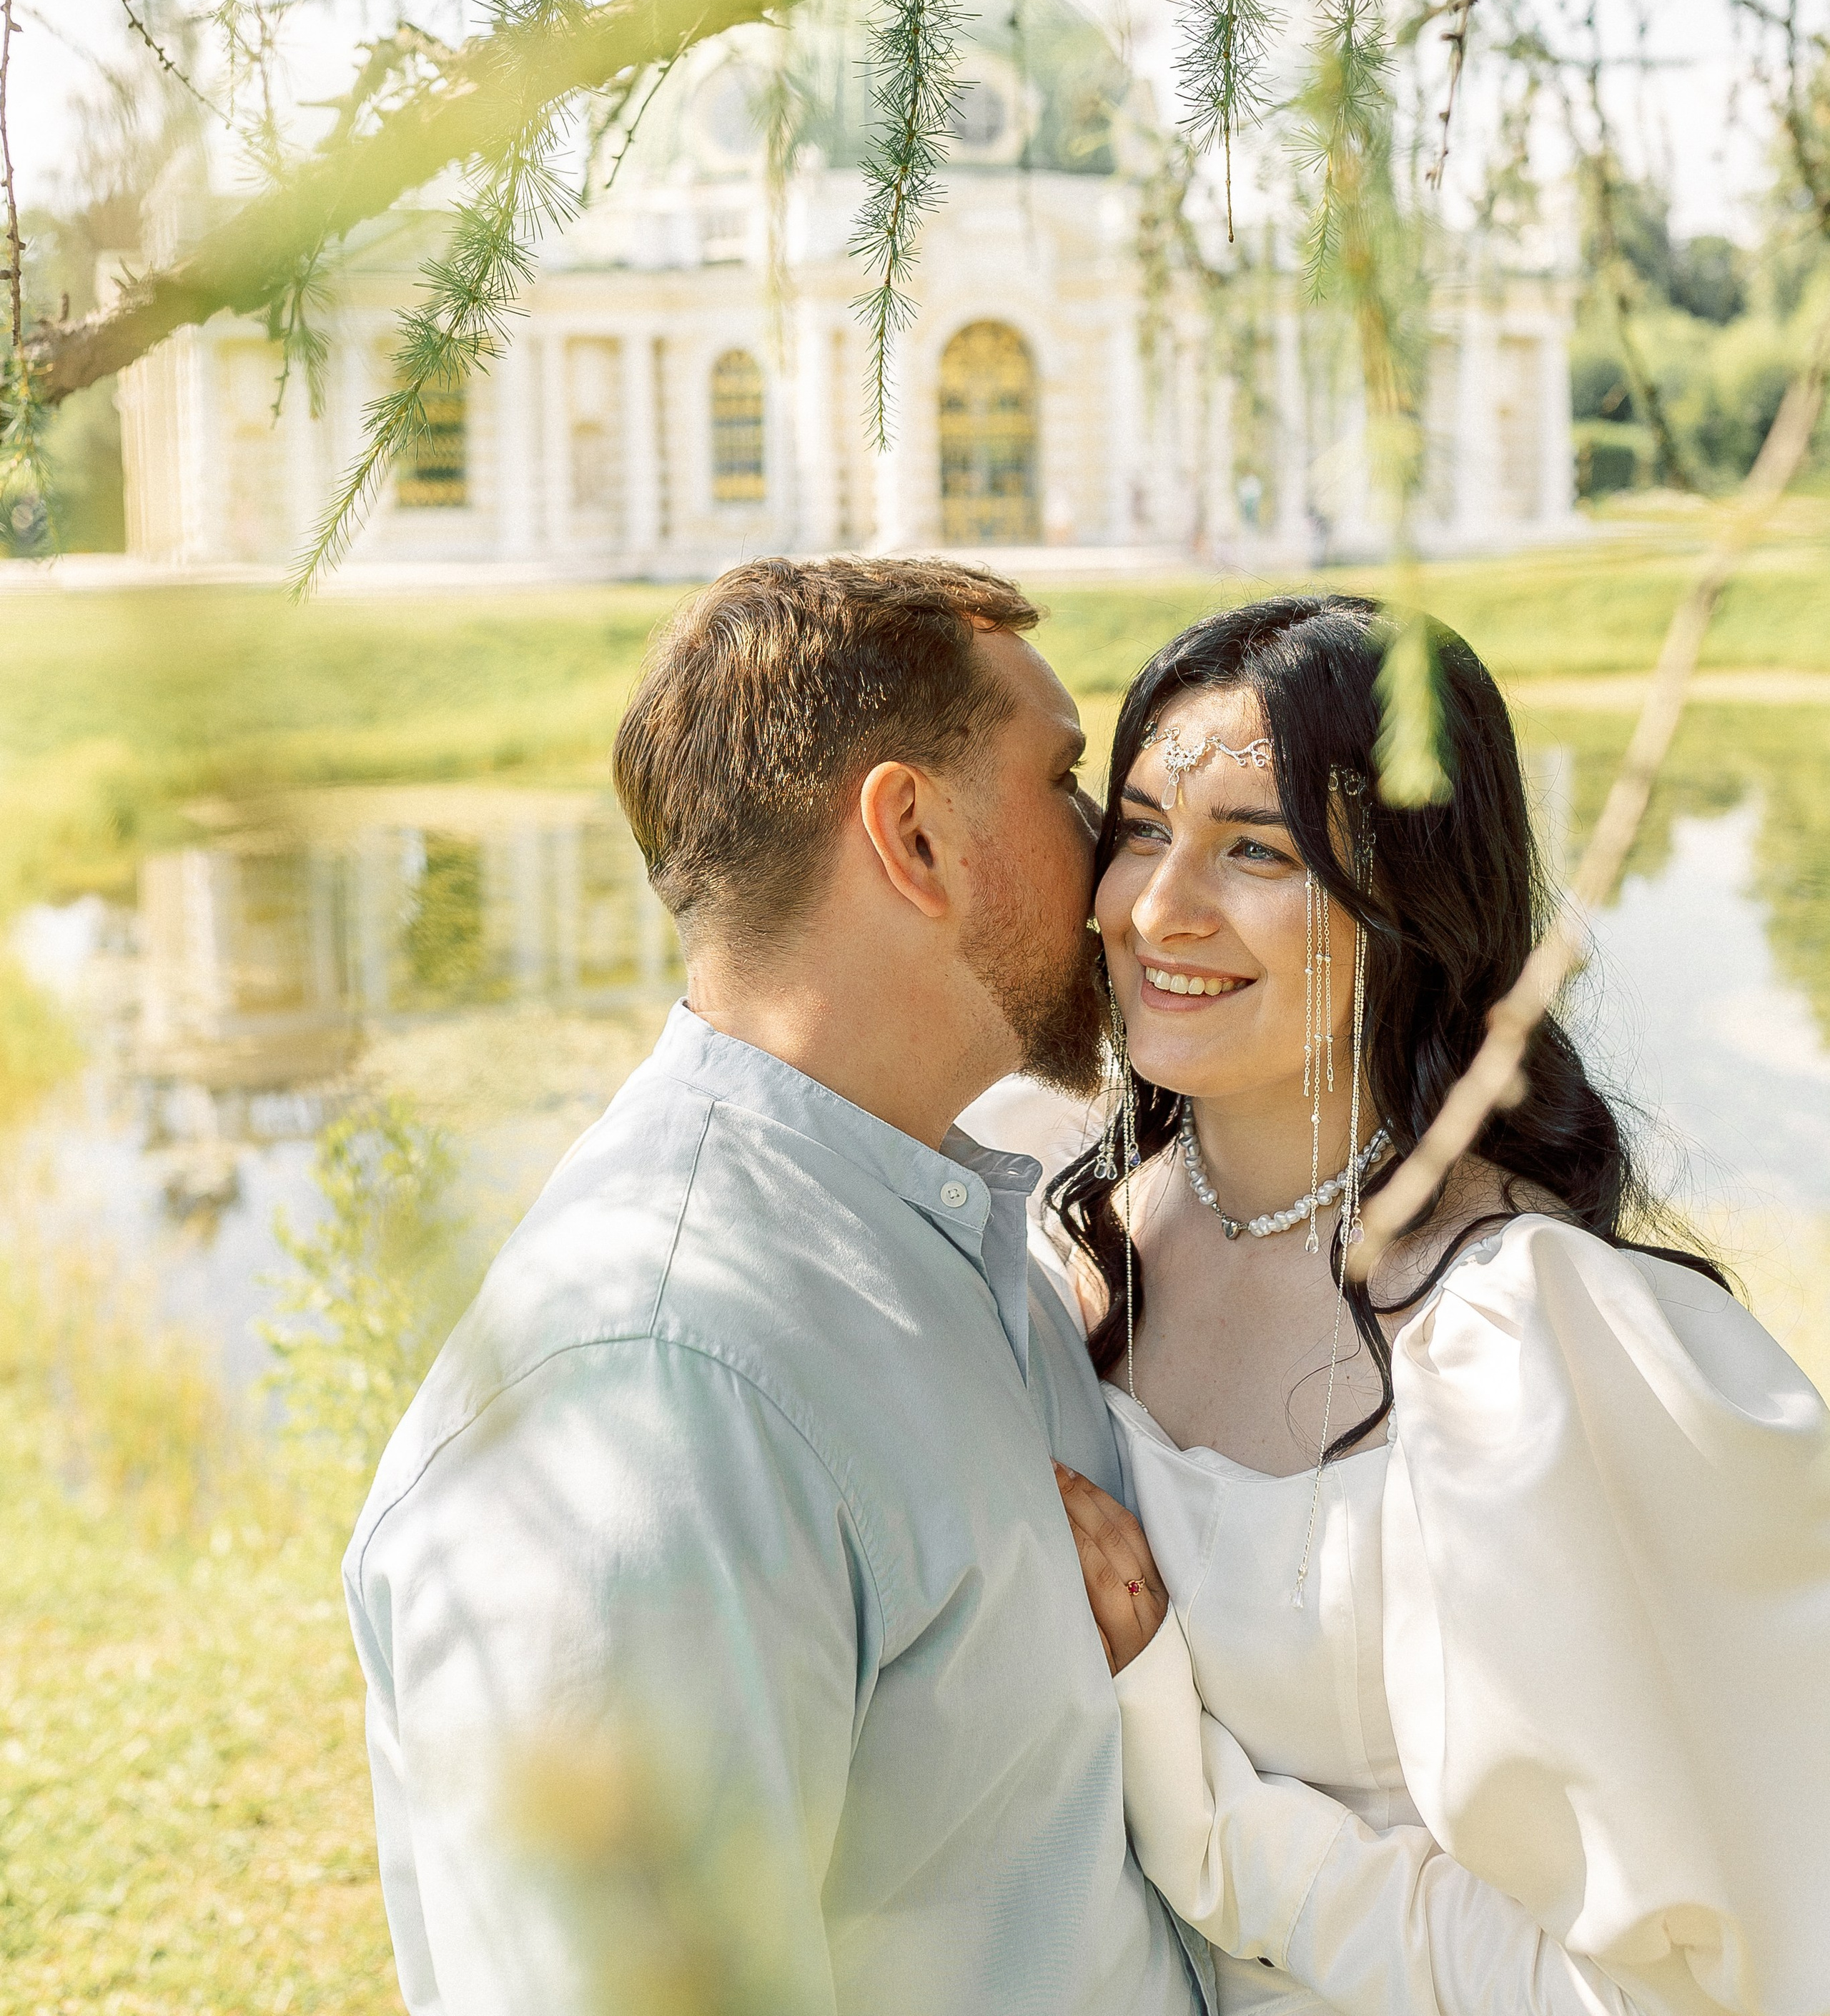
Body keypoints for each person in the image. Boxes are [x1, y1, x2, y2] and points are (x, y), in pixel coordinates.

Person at [342, 555, 1214, 2016]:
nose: (1118, 876)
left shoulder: (925, 1218)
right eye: (1066, 786)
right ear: (913, 836)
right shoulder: (655, 1397)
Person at [1047, 593, 1830, 2016]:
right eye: (1140, 828)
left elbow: (1638, 1990)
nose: (1157, 908)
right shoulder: (1058, 1235)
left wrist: (1197, 1803)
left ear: (1410, 904)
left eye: (1255, 850)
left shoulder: (1518, 1348)